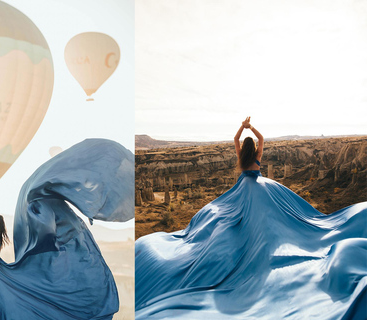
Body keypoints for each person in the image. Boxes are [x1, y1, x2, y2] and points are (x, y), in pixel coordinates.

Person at [135, 118, 367, 319]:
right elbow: (262, 137)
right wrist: (251, 127)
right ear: (254, 147)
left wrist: (241, 127)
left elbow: (235, 140)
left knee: (231, 220)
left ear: (242, 148)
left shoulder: (242, 155)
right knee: (268, 224)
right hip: (260, 190)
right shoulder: (257, 154)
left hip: (242, 190)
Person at [0, 138, 134, 320]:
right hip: (63, 238)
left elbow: (43, 227)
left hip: (49, 243)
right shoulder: (40, 194)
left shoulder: (34, 194)